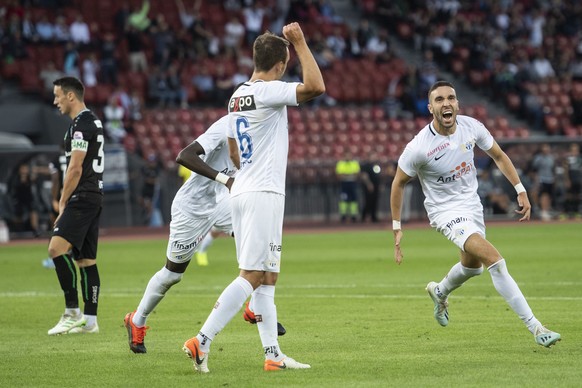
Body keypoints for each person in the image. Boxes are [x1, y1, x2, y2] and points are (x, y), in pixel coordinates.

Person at [182, 22, 325, 373]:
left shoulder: (236, 96)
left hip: (243, 188)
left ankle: (273, 354)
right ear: (279, 65)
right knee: (252, 274)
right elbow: (316, 87)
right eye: (286, 64)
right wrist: (301, 43)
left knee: (267, 276)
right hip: (263, 192)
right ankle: (201, 341)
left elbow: (233, 148)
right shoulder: (268, 91)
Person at [390, 80, 560, 348]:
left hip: (472, 206)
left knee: (473, 268)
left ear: (457, 104)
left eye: (451, 98)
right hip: (445, 212)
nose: (446, 103)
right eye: (439, 99)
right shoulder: (418, 147)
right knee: (495, 261)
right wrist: (397, 226)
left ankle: (439, 291)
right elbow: (398, 183)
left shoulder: (472, 127)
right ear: (430, 107)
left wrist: (520, 189)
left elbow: (499, 156)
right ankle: (537, 327)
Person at [47, 76, 104, 335]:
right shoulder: (91, 121)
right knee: (86, 261)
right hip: (95, 195)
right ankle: (90, 321)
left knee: (56, 249)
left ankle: (72, 312)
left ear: (71, 96)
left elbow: (75, 167)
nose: (55, 101)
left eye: (58, 95)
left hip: (82, 196)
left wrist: (62, 201)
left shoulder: (81, 125)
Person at [335, 151, 360, 223]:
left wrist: (346, 175)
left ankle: (353, 215)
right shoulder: (340, 164)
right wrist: (350, 175)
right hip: (344, 184)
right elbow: (339, 175)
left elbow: (357, 174)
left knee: (353, 199)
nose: (348, 157)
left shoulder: (354, 163)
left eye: (349, 156)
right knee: (343, 199)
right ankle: (343, 215)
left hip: (352, 183)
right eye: (346, 156)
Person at [360, 152, 383, 223]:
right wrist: (369, 184)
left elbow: (379, 176)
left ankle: (374, 217)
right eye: (373, 156)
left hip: (376, 185)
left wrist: (380, 185)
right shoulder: (366, 165)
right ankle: (363, 216)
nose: (374, 158)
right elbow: (364, 175)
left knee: (375, 201)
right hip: (368, 186)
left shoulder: (377, 165)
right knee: (368, 201)